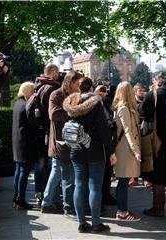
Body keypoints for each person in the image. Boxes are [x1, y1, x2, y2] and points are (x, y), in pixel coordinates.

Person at [63, 77, 116, 233]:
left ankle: (81, 223)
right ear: (91, 87)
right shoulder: (95, 104)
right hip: (95, 151)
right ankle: (96, 223)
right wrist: (111, 150)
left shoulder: (72, 103)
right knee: (94, 188)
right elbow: (103, 130)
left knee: (79, 185)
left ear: (78, 88)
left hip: (76, 150)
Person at [41, 70, 82, 219]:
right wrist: (75, 112)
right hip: (61, 142)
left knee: (57, 172)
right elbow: (54, 114)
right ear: (70, 82)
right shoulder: (56, 94)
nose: (79, 87)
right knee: (67, 176)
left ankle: (48, 202)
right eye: (77, 84)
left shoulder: (74, 95)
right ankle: (68, 208)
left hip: (67, 141)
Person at [139, 71, 166, 217]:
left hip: (157, 138)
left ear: (157, 81)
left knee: (158, 175)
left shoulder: (153, 95)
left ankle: (158, 208)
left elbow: (143, 112)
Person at [112, 81, 141, 222]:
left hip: (125, 147)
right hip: (125, 149)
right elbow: (128, 130)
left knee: (123, 181)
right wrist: (136, 150)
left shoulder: (123, 107)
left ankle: (122, 211)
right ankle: (122, 212)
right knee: (123, 181)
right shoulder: (123, 108)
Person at [32, 63, 61, 206]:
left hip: (41, 131)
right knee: (49, 166)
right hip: (48, 131)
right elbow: (51, 113)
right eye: (58, 72)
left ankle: (41, 193)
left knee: (42, 165)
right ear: (53, 72)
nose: (59, 74)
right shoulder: (49, 88)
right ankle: (48, 197)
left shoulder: (39, 86)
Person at [12, 82, 36, 210]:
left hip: (17, 142)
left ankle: (16, 197)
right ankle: (21, 199)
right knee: (24, 172)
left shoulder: (17, 104)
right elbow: (33, 123)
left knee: (18, 170)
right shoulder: (26, 105)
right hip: (25, 142)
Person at [95, 85, 117, 206]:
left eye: (105, 91)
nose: (104, 93)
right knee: (102, 172)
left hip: (107, 141)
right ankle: (103, 197)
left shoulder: (105, 104)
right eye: (100, 91)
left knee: (107, 171)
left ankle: (106, 195)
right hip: (101, 144)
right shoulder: (96, 105)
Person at [129, 82, 146, 187]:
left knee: (145, 154)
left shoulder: (146, 102)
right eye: (140, 90)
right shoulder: (132, 103)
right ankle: (133, 177)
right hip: (135, 130)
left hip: (144, 131)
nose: (142, 92)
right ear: (135, 91)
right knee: (134, 154)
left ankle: (145, 178)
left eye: (143, 90)